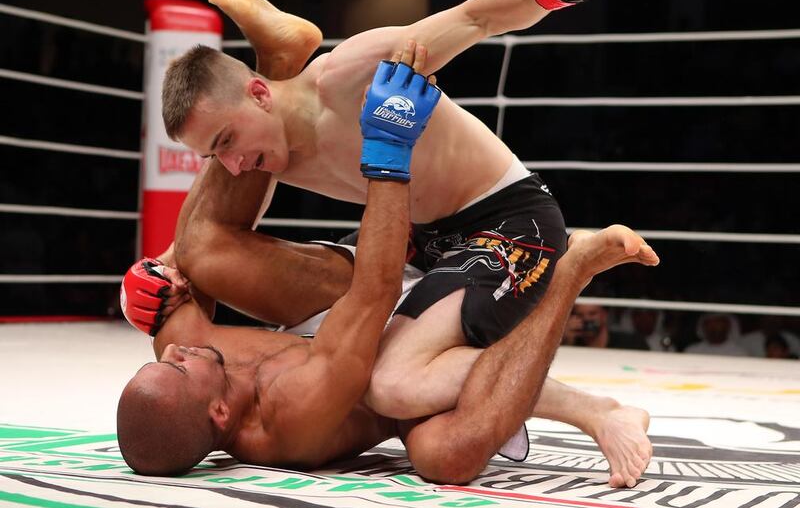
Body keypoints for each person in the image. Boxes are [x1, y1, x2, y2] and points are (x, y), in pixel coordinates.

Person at [128, 0, 638, 419]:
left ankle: (595, 409)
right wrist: (151, 277)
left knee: (391, 383)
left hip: (505, 224)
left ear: (260, 94)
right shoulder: (266, 151)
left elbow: (476, 19)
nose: (234, 166)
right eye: (214, 158)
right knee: (282, 332)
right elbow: (205, 244)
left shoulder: (351, 75)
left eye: (226, 143)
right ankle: (277, 54)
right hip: (420, 241)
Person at [118, 56, 659, 482]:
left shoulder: (185, 360)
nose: (176, 352)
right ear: (217, 413)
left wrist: (149, 278)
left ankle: (276, 58)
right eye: (180, 367)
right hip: (383, 330)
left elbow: (182, 265)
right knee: (441, 452)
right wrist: (388, 152)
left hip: (374, 291)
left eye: (162, 359)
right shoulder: (292, 417)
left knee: (204, 253)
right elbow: (374, 294)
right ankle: (571, 279)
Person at [562, 303, 650, 350]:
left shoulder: (632, 343)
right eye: (580, 315)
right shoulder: (571, 342)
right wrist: (567, 340)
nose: (587, 319)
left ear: (604, 315)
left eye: (592, 314)